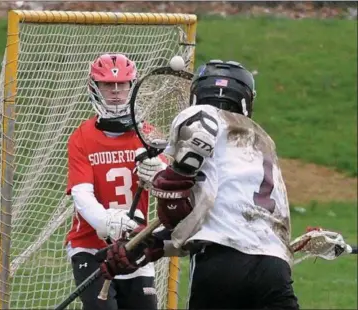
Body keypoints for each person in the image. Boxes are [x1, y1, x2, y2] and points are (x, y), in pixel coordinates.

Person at [97, 60, 300, 310]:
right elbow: (218, 219)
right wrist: (147, 248)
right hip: (274, 268)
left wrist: (174, 179)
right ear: (247, 100)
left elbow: (201, 130)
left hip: (220, 264)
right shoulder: (262, 142)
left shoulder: (201, 116)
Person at [65, 53, 166, 310]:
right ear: (95, 88)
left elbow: (168, 185)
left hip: (134, 244)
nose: (116, 91)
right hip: (90, 246)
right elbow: (81, 193)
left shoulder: (148, 135)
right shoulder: (81, 137)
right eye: (108, 85)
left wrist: (157, 174)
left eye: (123, 84)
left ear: (133, 87)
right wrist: (106, 221)